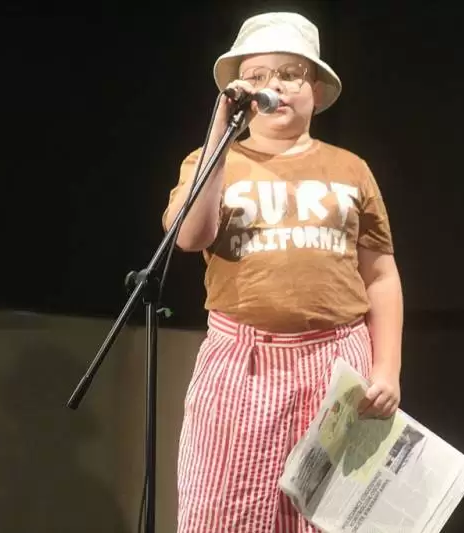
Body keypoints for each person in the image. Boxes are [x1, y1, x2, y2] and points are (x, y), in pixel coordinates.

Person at [161, 11, 404, 533]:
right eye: (258, 75)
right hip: (242, 362)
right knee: (225, 510)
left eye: (291, 74)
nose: (275, 86)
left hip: (335, 364)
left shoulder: (350, 169)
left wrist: (387, 370)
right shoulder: (212, 162)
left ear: (315, 88)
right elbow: (189, 236)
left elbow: (381, 275)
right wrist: (219, 132)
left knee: (328, 513)